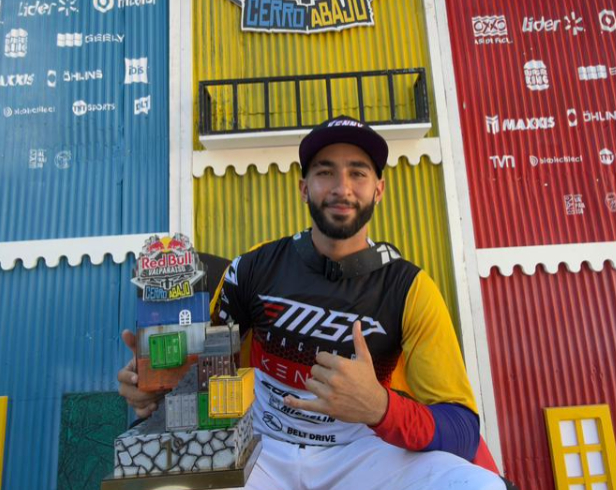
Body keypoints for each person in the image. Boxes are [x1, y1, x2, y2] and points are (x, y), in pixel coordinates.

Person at [119, 116, 510, 490]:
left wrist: (379, 407)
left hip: (362, 451)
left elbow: (460, 428)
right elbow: (205, 374)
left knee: (480, 485)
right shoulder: (254, 266)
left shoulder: (411, 288)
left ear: (379, 189)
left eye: (358, 172)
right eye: (325, 172)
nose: (342, 188)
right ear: (304, 187)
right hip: (259, 444)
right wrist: (158, 388)